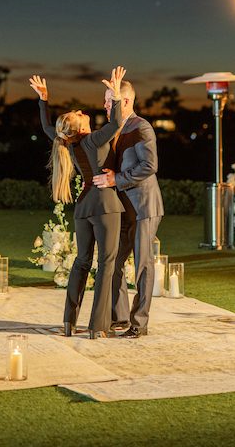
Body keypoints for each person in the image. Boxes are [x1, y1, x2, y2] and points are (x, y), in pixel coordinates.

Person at [29, 66, 127, 339]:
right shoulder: (92, 139)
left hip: (83, 208)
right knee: (106, 264)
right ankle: (98, 327)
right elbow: (116, 123)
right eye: (80, 115)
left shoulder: (67, 142)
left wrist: (43, 101)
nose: (84, 113)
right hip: (105, 205)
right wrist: (117, 95)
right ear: (81, 126)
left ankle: (69, 322)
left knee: (82, 262)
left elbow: (49, 128)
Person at [92, 80, 164, 339]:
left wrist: (116, 179)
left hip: (144, 206)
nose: (104, 105)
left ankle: (139, 323)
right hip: (122, 209)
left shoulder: (141, 127)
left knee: (143, 264)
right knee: (114, 261)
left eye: (109, 100)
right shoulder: (112, 129)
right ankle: (119, 317)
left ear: (125, 102)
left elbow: (150, 165)